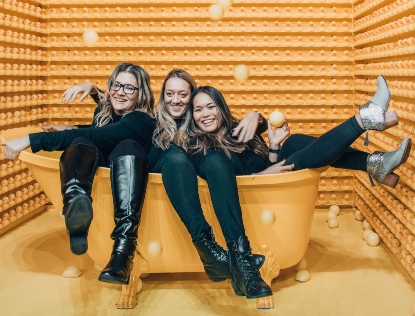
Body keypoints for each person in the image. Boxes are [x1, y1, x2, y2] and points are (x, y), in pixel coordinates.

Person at [171, 76, 411, 298]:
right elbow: (230, 180)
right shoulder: (199, 147)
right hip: (260, 193)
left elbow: (268, 163)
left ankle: (373, 162)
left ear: (221, 108)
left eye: (211, 106)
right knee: (298, 158)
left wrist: (273, 147)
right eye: (198, 110)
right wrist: (265, 174)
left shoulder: (238, 131)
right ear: (192, 116)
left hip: (271, 185)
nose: (205, 114)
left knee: (294, 142)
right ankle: (365, 123)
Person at [62, 69, 269, 299]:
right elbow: (120, 110)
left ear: (192, 98)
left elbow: (237, 127)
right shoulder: (150, 121)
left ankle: (242, 260)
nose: (175, 100)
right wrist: (94, 91)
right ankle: (208, 247)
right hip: (164, 171)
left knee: (217, 159)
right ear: (162, 96)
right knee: (175, 155)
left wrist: (257, 116)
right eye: (169, 93)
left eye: (183, 94)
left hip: (194, 167)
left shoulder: (200, 121)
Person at [1, 63, 155, 285]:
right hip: (108, 175)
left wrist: (32, 140)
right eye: (116, 85)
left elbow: (103, 135)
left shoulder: (141, 121)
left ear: (142, 94)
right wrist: (92, 91)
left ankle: (123, 251)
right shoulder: (106, 113)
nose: (121, 91)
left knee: (125, 144)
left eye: (130, 88)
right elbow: (101, 128)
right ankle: (76, 211)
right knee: (81, 142)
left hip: (132, 182)